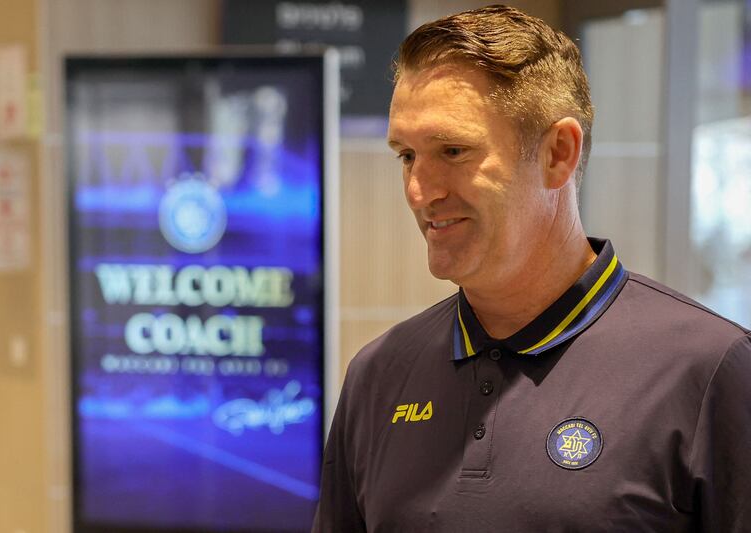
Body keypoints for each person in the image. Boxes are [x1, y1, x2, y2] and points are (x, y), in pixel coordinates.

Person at [312, 5, 751, 532]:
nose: (419, 192)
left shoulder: (710, 370)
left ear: (558, 154)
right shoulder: (378, 376)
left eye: (452, 150)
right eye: (406, 156)